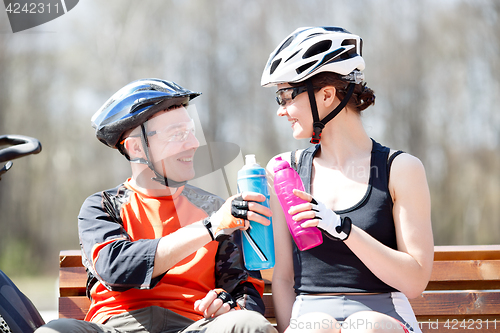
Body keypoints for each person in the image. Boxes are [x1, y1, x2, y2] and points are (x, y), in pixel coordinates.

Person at [36, 79, 277, 333]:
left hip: (194, 326)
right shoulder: (103, 206)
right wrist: (211, 227)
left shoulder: (217, 209)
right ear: (137, 147)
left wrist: (229, 305)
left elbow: (245, 292)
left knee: (251, 326)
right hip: (117, 327)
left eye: (191, 131)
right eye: (177, 134)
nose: (194, 143)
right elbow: (116, 268)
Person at [261, 27, 433, 333]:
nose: (281, 111)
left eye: (286, 96)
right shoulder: (283, 172)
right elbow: (284, 278)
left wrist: (342, 228)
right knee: (316, 327)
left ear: (327, 95)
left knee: (366, 327)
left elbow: (415, 281)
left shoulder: (401, 168)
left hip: (385, 318)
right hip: (309, 319)